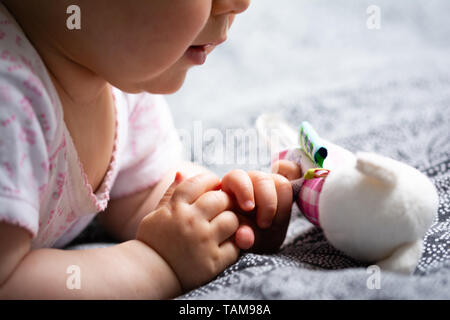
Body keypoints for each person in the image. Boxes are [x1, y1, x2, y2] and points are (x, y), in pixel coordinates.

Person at [0, 0, 300, 299]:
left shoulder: (112, 71)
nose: (239, 4)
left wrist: (223, 214)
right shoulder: (10, 104)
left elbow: (143, 191)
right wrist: (155, 263)